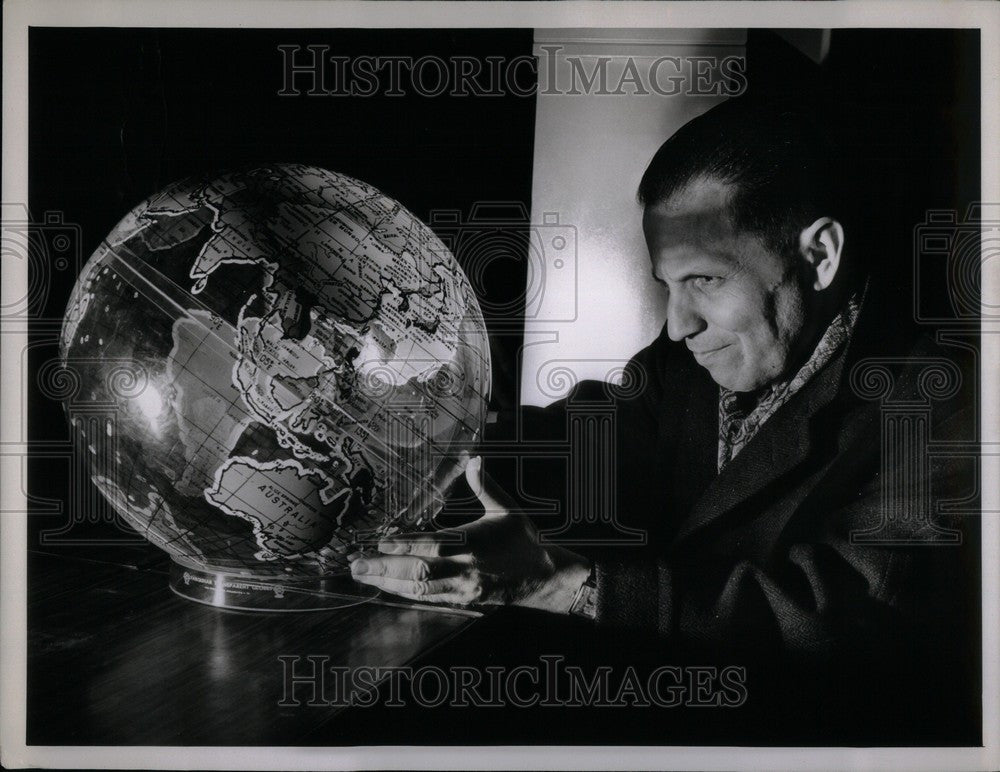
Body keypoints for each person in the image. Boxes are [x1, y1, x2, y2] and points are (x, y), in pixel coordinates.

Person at [349, 98, 978, 736]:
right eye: (667, 286)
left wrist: (568, 586)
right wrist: (428, 426)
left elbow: (839, 618)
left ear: (820, 255)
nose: (678, 325)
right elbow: (585, 437)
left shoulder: (944, 403)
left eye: (704, 279)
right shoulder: (692, 360)